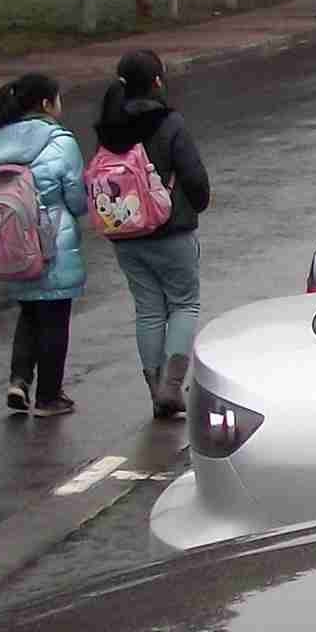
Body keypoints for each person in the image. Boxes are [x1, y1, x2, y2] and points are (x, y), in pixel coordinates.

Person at [93, 50, 211, 419]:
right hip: (170, 228)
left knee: (147, 310)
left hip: (125, 231)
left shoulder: (108, 125)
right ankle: (172, 388)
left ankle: (155, 389)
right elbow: (193, 176)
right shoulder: (169, 122)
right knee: (183, 304)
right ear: (157, 81)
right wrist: (195, 204)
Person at [0, 73, 88, 418]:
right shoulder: (61, 141)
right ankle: (49, 397)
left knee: (29, 313)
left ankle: (19, 381)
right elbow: (78, 199)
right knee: (55, 318)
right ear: (46, 104)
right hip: (53, 242)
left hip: (9, 241)